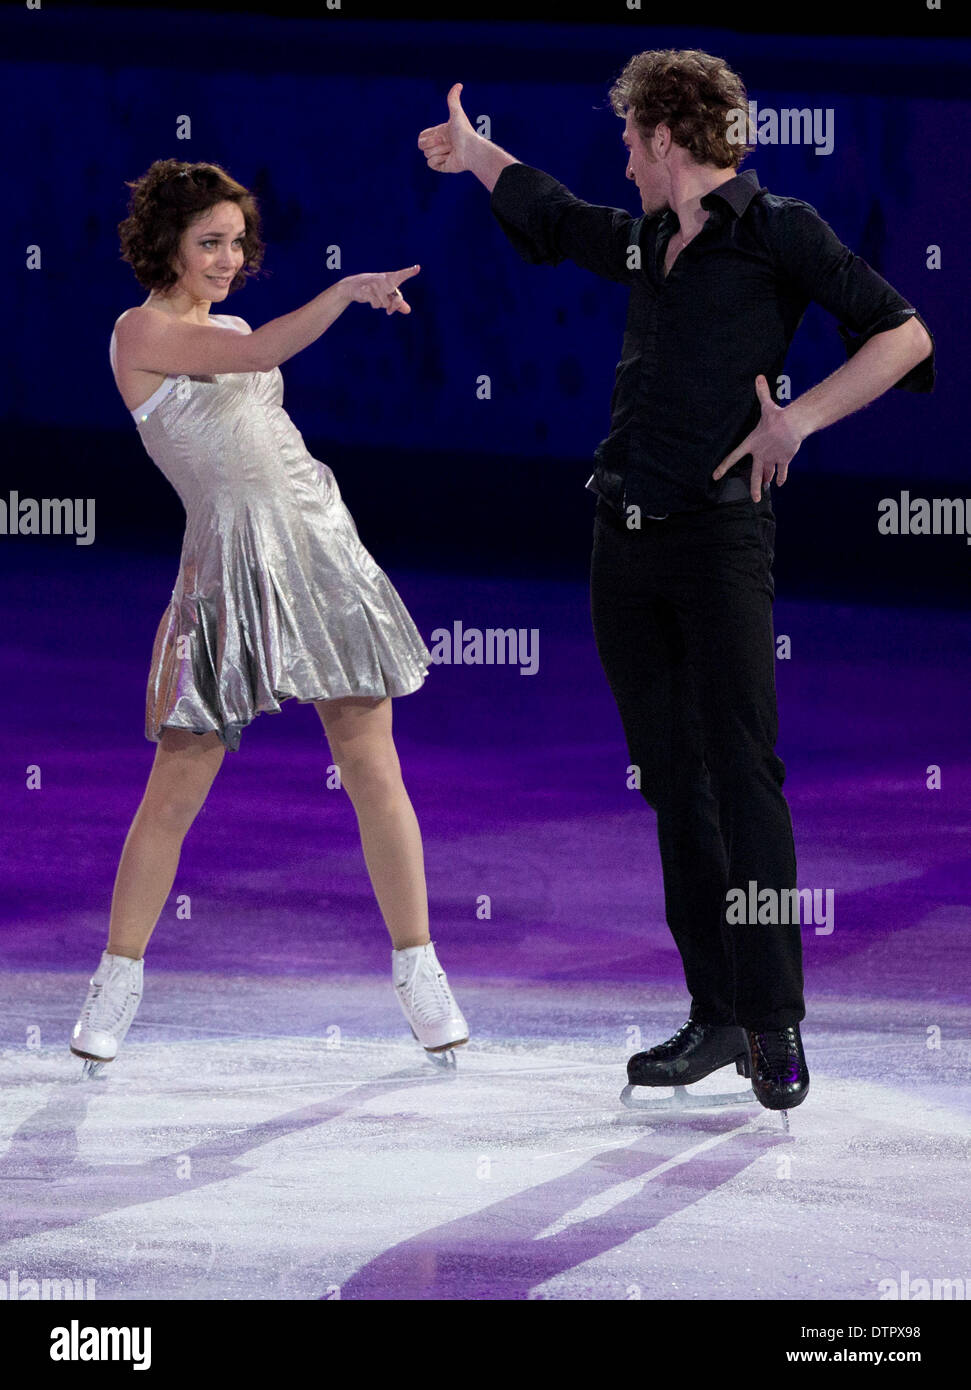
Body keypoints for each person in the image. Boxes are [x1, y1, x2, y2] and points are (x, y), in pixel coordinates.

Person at [417, 51, 934, 1115]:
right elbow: (556, 217)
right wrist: (475, 157)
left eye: (625, 137)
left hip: (718, 542)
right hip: (624, 544)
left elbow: (902, 332)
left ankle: (774, 1020)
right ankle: (715, 1015)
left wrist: (798, 421)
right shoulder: (650, 239)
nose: (620, 153)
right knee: (669, 783)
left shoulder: (778, 229)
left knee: (742, 773)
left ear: (662, 137)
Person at [70, 158, 468, 1077]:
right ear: (165, 243)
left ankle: (420, 969)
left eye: (236, 242)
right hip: (225, 574)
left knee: (372, 764)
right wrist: (343, 292)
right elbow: (253, 360)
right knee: (177, 783)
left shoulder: (238, 321)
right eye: (207, 241)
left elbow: (261, 394)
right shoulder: (141, 332)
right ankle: (116, 981)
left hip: (321, 551)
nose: (225, 258)